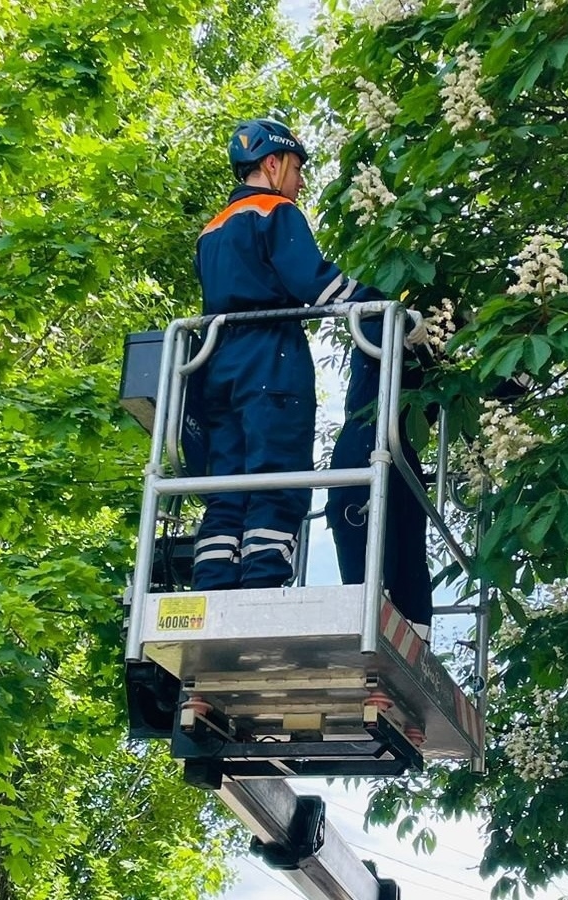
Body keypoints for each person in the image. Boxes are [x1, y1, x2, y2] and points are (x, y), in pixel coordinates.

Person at [192, 118, 385, 590]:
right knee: (275, 472)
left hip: (218, 364)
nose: (300, 183)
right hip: (270, 357)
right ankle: (261, 585)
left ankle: (213, 584)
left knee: (227, 485)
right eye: (297, 169)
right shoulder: (275, 212)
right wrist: (381, 304)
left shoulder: (210, 231)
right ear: (272, 163)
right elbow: (316, 285)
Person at [326, 316, 434, 639]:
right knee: (373, 575)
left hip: (401, 456)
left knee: (410, 574)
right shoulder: (384, 318)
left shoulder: (436, 346)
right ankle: (376, 650)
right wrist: (405, 323)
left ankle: (415, 653)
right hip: (366, 448)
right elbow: (373, 323)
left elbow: (485, 388)